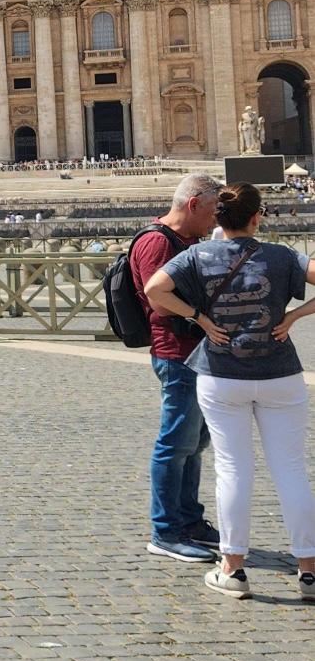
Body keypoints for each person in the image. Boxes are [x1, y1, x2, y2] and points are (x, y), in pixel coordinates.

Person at [146, 182, 315, 600]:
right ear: (258, 217)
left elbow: (154, 290)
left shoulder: (197, 255)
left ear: (217, 218)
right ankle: (309, 572)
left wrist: (200, 318)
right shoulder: (280, 255)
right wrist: (294, 316)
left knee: (233, 470)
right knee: (291, 470)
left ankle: (233, 569)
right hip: (280, 374)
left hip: (221, 375)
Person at [129, 172, 221, 563]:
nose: (218, 218)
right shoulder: (156, 242)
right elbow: (161, 302)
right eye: (215, 210)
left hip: (197, 352)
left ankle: (189, 520)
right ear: (194, 204)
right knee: (175, 444)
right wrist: (201, 313)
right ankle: (165, 531)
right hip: (176, 353)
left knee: (195, 442)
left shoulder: (189, 240)